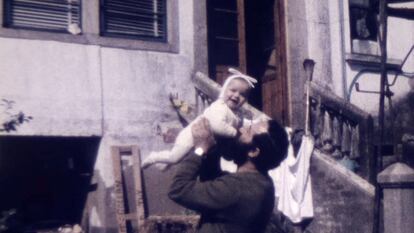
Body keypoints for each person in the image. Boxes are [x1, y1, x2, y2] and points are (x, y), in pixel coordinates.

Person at [168, 117, 289, 233]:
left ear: (253, 152)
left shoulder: (237, 188)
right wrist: (212, 148)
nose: (240, 129)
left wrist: (200, 150)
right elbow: (214, 185)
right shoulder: (262, 183)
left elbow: (178, 189)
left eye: (248, 130)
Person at [141, 68, 257, 170]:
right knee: (175, 157)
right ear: (224, 90)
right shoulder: (219, 107)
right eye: (232, 90)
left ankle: (165, 164)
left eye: (242, 95)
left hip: (203, 141)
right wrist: (235, 133)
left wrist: (254, 123)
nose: (236, 95)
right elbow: (208, 121)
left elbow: (241, 122)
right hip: (190, 136)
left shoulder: (235, 113)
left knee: (182, 158)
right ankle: (154, 157)